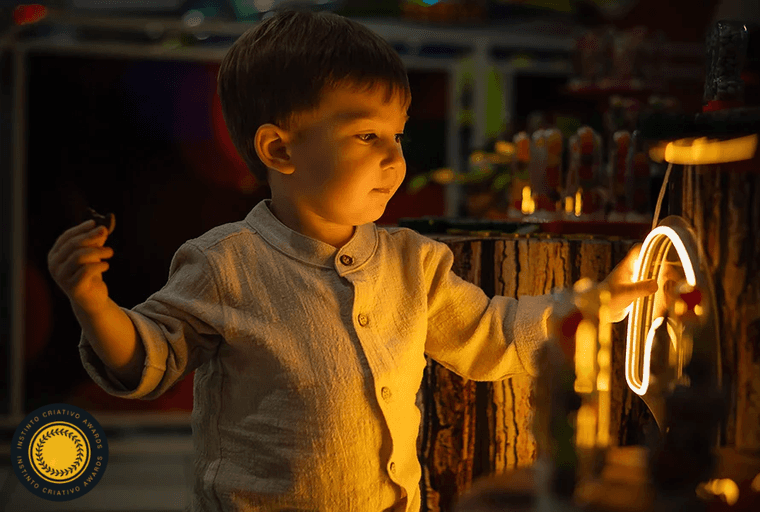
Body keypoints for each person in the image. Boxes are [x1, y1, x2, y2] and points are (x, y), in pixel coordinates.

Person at [47, 9, 657, 512]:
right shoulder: (226, 264)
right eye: (367, 135)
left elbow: (491, 334)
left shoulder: (414, 264)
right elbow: (151, 360)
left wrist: (593, 303)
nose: (395, 157)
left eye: (400, 134)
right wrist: (94, 305)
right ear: (279, 149)